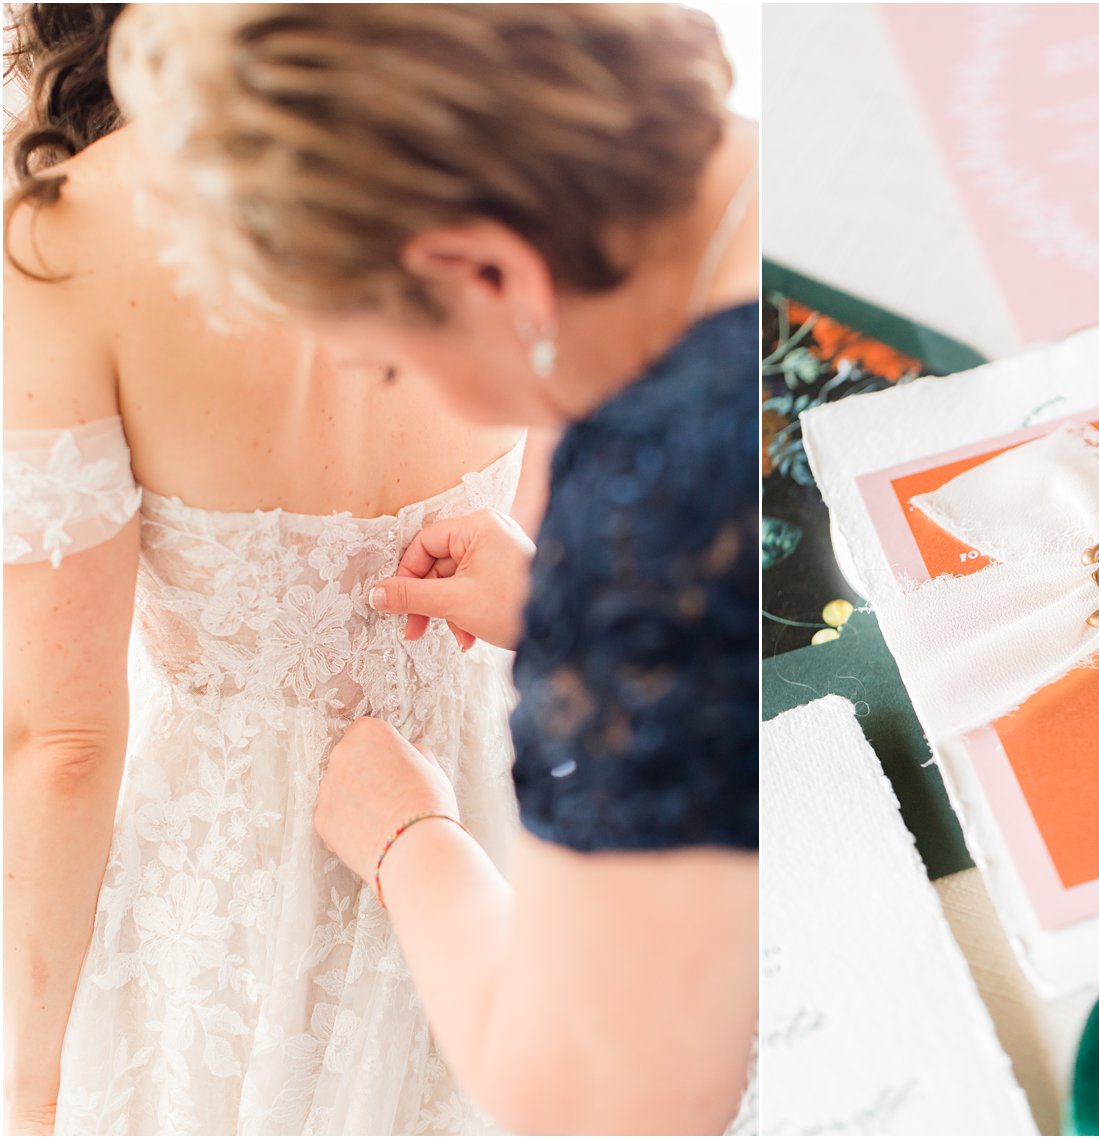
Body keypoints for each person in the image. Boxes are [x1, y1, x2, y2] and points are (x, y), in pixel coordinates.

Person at [110, 4, 760, 1136]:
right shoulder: (757, 186)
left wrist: (407, 834)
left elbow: (616, 1098)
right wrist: (583, 620)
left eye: (389, 359)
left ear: (484, 270)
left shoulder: (646, 512)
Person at [0, 4, 552, 1134]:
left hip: (223, 895)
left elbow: (62, 743)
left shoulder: (69, 239)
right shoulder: (521, 132)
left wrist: (33, 1075)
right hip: (487, 813)